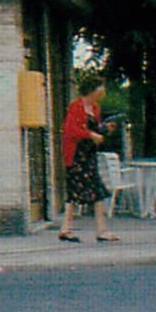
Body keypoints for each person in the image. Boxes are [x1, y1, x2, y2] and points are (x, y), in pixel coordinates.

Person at [59, 74, 117, 243]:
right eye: (101, 88)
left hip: (89, 155)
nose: (103, 92)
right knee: (82, 192)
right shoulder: (76, 107)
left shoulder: (96, 109)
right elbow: (71, 130)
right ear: (93, 90)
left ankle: (71, 229)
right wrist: (91, 135)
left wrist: (104, 129)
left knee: (90, 191)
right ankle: (98, 230)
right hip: (77, 156)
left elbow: (95, 128)